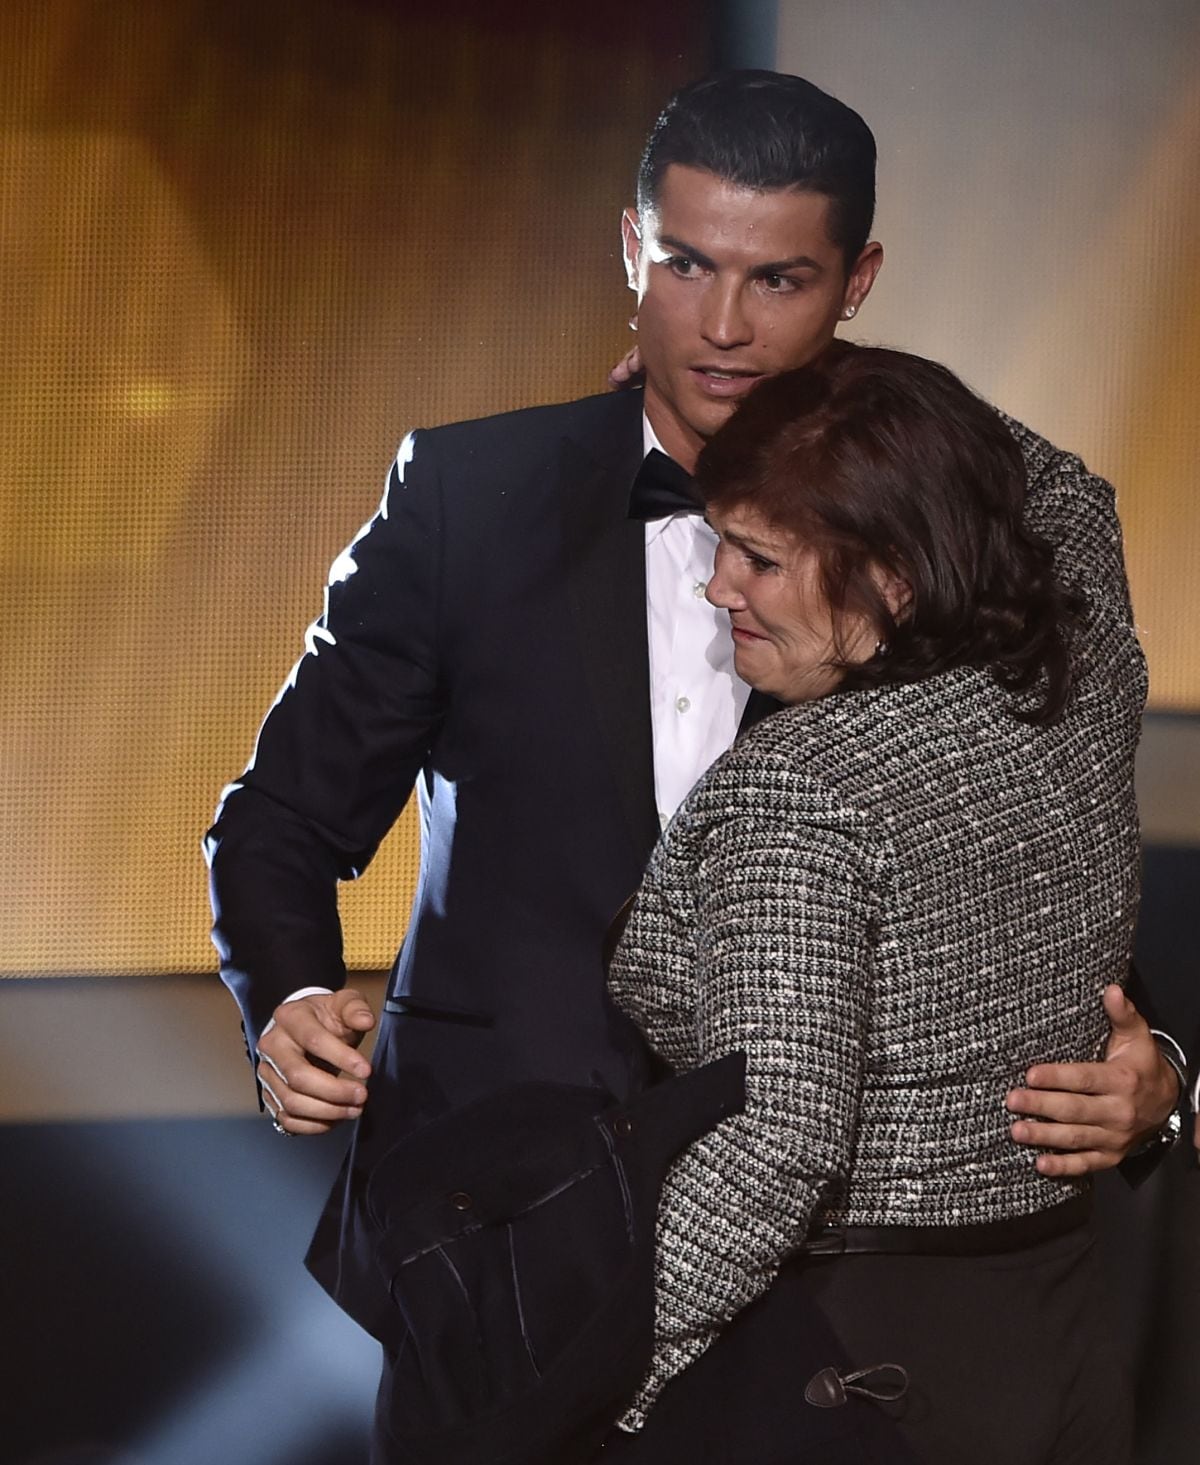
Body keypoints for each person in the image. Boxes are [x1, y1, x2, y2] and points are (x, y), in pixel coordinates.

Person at [204, 70, 1182, 1457]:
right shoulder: (464, 502)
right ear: (630, 248)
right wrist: (290, 993)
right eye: (687, 267)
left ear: (857, 281)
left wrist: (1166, 1075)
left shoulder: (998, 523)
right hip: (503, 1242)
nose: (723, 327)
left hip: (831, 1291)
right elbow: (280, 819)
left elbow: (1044, 840)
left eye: (779, 278)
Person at [602, 342, 1143, 1464]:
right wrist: (824, 386)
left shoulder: (797, 792)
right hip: (1062, 1331)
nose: (718, 587)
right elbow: (1063, 492)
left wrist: (601, 1371)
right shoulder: (1083, 671)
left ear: (895, 575)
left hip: (859, 1371)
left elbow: (775, 1145)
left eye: (759, 557)